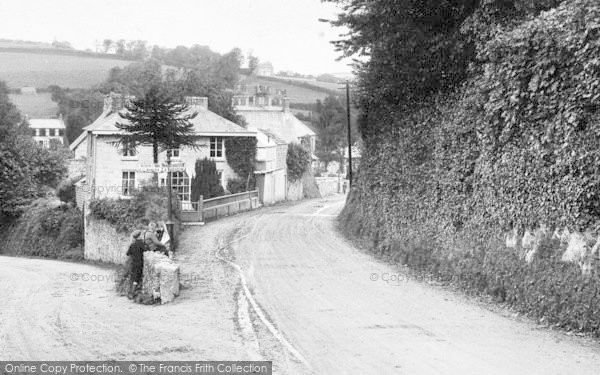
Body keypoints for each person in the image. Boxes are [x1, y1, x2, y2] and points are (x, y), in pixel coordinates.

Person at [126, 230, 147, 299]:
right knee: (137, 278)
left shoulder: (132, 244)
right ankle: (133, 293)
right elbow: (146, 250)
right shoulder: (141, 243)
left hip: (133, 263)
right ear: (139, 236)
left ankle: (129, 292)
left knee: (133, 277)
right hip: (139, 263)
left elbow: (127, 253)